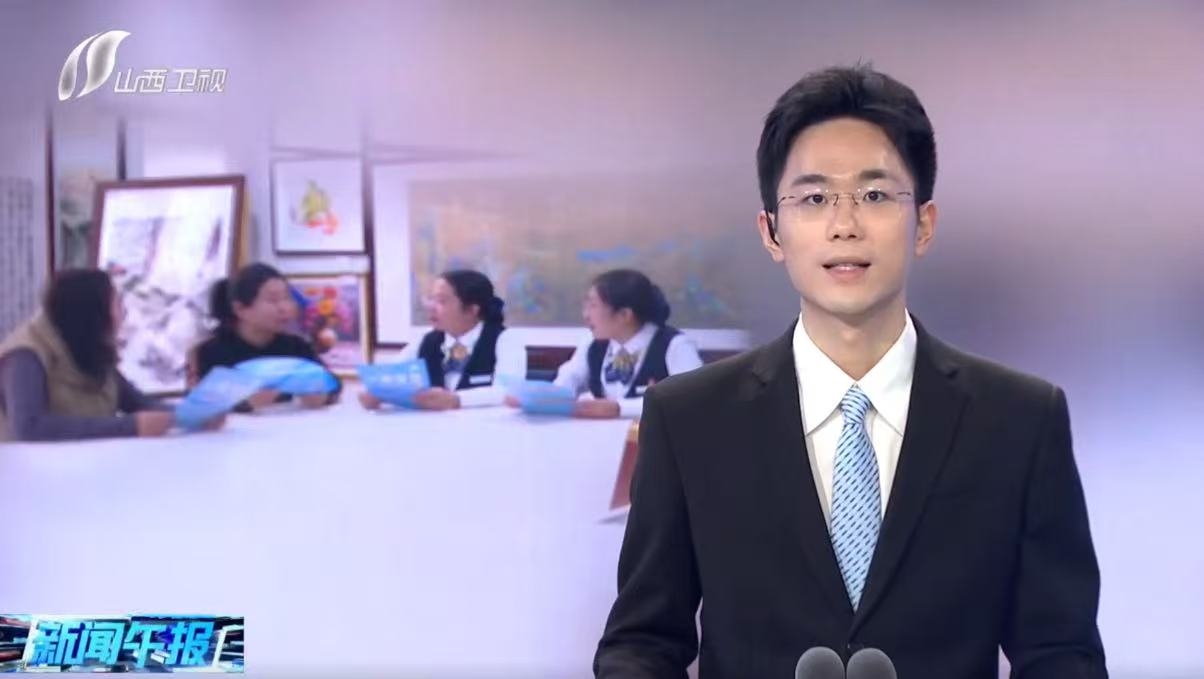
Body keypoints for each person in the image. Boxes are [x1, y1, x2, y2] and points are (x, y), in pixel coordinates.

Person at [594, 66, 1106, 678]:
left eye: (875, 195)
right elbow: (643, 642)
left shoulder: (1020, 420)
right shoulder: (690, 419)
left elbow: (1061, 652)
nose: (844, 225)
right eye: (813, 199)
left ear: (924, 224)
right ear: (771, 232)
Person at [0, 269, 215, 441]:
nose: (123, 314)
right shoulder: (25, 356)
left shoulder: (88, 345)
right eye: (117, 304)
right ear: (92, 312)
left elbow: (135, 401)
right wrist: (130, 427)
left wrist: (192, 415)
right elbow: (29, 428)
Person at [361, 270, 526, 411]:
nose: (431, 307)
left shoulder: (505, 340)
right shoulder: (426, 341)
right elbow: (387, 374)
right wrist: (375, 392)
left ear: (472, 310)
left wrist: (456, 400)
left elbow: (508, 391)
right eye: (431, 299)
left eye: (441, 301)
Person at [548, 269, 702, 419]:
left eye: (593, 306)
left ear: (624, 315)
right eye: (586, 306)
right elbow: (568, 379)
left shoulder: (675, 345)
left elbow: (694, 399)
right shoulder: (592, 343)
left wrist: (620, 408)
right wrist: (548, 398)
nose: (586, 315)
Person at [193, 263, 340, 411]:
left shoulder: (296, 347)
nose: (284, 308)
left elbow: (333, 384)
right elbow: (200, 404)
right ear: (240, 309)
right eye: (273, 300)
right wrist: (243, 403)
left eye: (287, 298)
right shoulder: (211, 352)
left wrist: (324, 394)